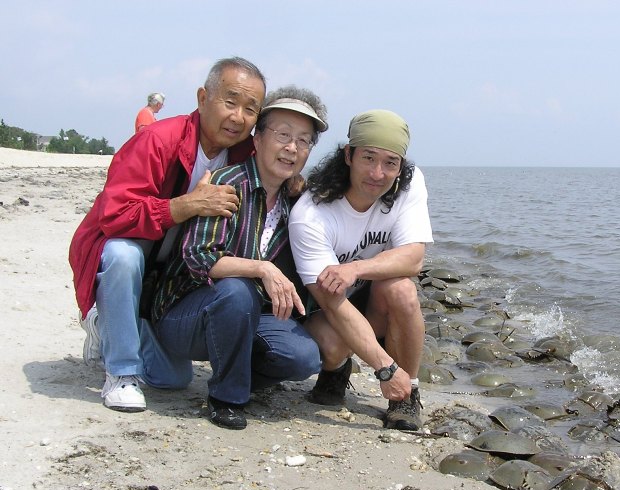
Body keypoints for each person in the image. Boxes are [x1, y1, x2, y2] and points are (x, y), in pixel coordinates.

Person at [69, 57, 266, 413]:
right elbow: (113, 216)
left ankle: (108, 323)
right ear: (203, 97)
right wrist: (185, 205)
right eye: (230, 101)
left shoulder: (246, 154)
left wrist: (296, 183)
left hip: (168, 276)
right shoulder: (158, 139)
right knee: (122, 255)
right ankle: (121, 374)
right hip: (126, 251)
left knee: (171, 380)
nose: (238, 117)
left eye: (251, 109)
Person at [150, 87, 326, 430]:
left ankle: (236, 378)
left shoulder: (299, 203)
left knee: (304, 357)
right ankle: (226, 399)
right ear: (257, 139)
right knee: (236, 290)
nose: (292, 147)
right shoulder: (225, 185)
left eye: (304, 141)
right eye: (283, 135)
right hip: (186, 314)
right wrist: (262, 268)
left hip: (246, 318)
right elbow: (200, 258)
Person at [289, 109, 432, 431]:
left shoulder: (409, 183)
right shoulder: (312, 213)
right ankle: (335, 369)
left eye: (390, 163)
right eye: (368, 158)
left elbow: (413, 258)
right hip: (322, 304)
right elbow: (331, 302)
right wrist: (383, 369)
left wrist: (356, 268)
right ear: (348, 155)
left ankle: (406, 396)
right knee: (335, 345)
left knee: (401, 289)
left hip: (367, 293)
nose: (378, 173)